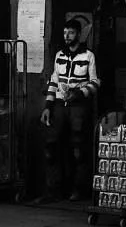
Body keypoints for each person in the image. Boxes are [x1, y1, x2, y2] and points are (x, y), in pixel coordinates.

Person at [41, 17, 100, 201]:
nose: (67, 36)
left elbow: (95, 82)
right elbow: (53, 81)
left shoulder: (88, 56)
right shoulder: (59, 55)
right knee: (51, 147)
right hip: (59, 106)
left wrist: (80, 93)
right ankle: (54, 190)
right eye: (65, 33)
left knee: (78, 150)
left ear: (79, 35)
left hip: (78, 107)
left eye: (71, 33)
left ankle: (78, 190)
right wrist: (48, 106)